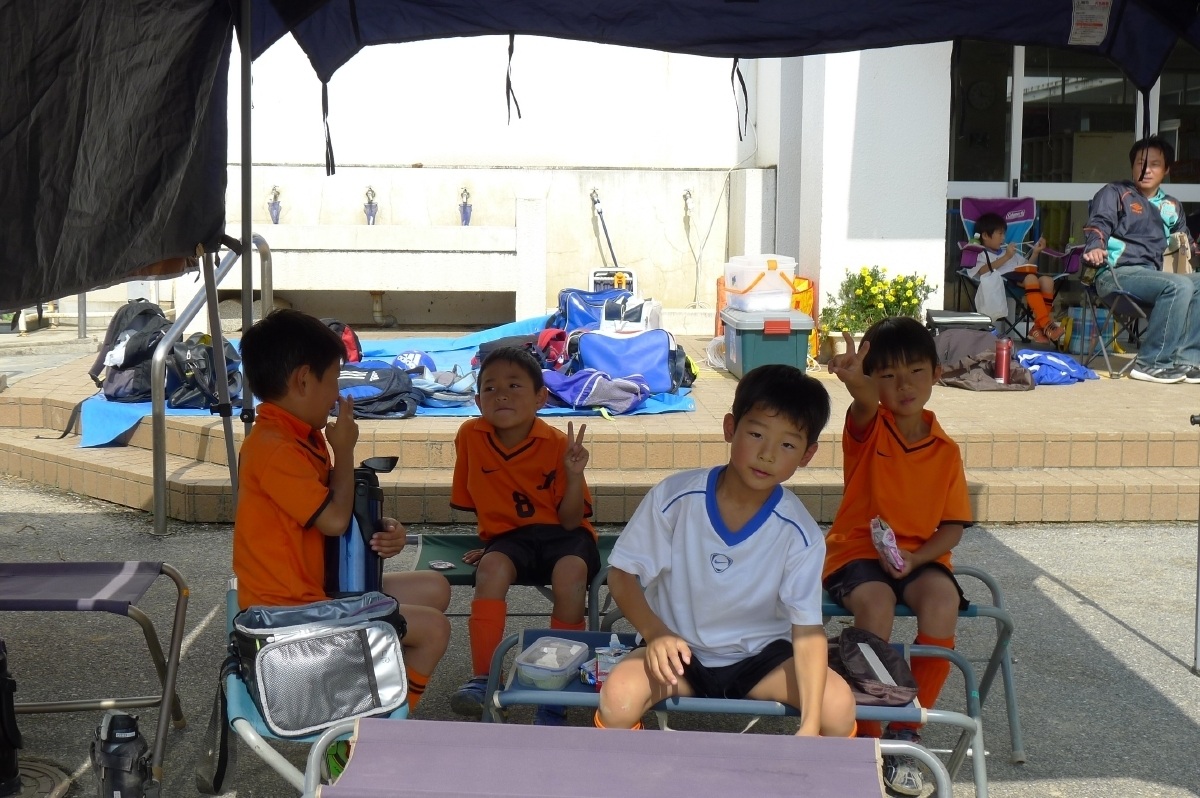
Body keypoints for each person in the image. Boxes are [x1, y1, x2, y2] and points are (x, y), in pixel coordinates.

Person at [595, 364, 856, 739]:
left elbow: (808, 630)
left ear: (807, 454)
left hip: (762, 659)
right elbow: (622, 574)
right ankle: (623, 770)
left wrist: (810, 725)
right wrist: (655, 633)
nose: (767, 454)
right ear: (730, 428)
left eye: (787, 444)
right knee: (618, 698)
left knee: (837, 708)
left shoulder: (800, 533)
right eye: (756, 434)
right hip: (678, 651)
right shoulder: (675, 498)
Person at [232, 309, 451, 715]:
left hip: (319, 586)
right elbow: (334, 520)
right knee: (434, 629)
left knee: (435, 588)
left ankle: (366, 692)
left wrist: (381, 529)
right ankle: (369, 731)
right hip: (289, 612)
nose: (337, 394)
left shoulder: (302, 436)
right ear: (303, 381)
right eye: (334, 379)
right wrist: (345, 450)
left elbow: (333, 508)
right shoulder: (274, 448)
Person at [824, 318, 972, 797]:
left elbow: (953, 526)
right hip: (857, 550)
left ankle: (906, 731)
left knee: (942, 602)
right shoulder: (870, 426)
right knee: (877, 605)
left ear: (936, 374)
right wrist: (857, 381)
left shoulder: (946, 450)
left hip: (918, 556)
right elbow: (864, 402)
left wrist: (916, 558)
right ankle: (867, 737)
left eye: (915, 372)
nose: (903, 385)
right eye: (888, 375)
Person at [448, 346, 598, 726]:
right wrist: (492, 545)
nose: (501, 395)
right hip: (512, 538)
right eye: (489, 387)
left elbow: (570, 522)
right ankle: (485, 679)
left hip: (564, 536)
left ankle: (556, 687)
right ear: (477, 399)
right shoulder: (469, 436)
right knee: (491, 570)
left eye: (514, 385)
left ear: (540, 398)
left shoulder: (558, 444)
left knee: (570, 576)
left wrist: (574, 475)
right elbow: (478, 500)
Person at [1081, 134, 1200, 384]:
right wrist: (1095, 247)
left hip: (1152, 277)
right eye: (1140, 163)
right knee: (1178, 285)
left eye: (1154, 164)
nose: (1146, 170)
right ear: (1132, 166)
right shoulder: (1115, 192)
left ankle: (1187, 360)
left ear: (1166, 170)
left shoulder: (1172, 206)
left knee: (1193, 282)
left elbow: (1187, 245)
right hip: (1115, 275)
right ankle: (1151, 363)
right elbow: (1098, 224)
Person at [967, 212, 1063, 344]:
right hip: (1002, 283)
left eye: (1004, 234)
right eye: (1000, 234)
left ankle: (1038, 327)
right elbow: (982, 271)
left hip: (1023, 281)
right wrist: (1006, 257)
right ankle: (1046, 323)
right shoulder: (981, 253)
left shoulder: (1010, 253)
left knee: (1048, 281)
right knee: (1031, 278)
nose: (1003, 238)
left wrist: (1035, 253)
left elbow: (1026, 267)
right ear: (985, 235)